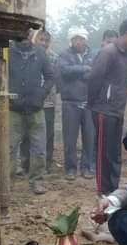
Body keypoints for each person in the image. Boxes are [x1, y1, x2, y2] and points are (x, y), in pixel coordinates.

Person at [88, 18, 127, 195]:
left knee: (114, 153)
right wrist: (95, 103)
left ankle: (113, 189)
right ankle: (103, 191)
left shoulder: (126, 55)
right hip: (104, 110)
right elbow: (94, 78)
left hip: (117, 110)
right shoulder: (108, 52)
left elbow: (126, 81)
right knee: (103, 153)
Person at [8, 36, 55, 194]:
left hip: (36, 108)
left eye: (28, 32)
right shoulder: (7, 51)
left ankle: (37, 181)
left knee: (39, 147)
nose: (25, 36)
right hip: (13, 109)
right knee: (9, 148)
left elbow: (50, 77)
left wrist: (41, 93)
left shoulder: (40, 52)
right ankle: (7, 183)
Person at [57, 27, 96, 180]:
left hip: (89, 102)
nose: (78, 42)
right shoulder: (64, 54)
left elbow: (95, 72)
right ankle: (71, 168)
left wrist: (80, 72)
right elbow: (64, 71)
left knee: (89, 137)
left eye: (81, 39)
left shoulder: (92, 55)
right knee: (70, 138)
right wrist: (84, 69)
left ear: (86, 40)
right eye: (75, 39)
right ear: (71, 41)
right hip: (70, 102)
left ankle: (86, 167)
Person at [33, 29, 60, 173]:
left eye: (47, 40)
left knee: (49, 133)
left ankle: (47, 163)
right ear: (35, 39)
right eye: (41, 39)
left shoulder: (54, 57)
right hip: (32, 101)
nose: (44, 43)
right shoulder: (29, 54)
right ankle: (29, 163)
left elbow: (55, 78)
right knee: (31, 133)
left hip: (49, 102)